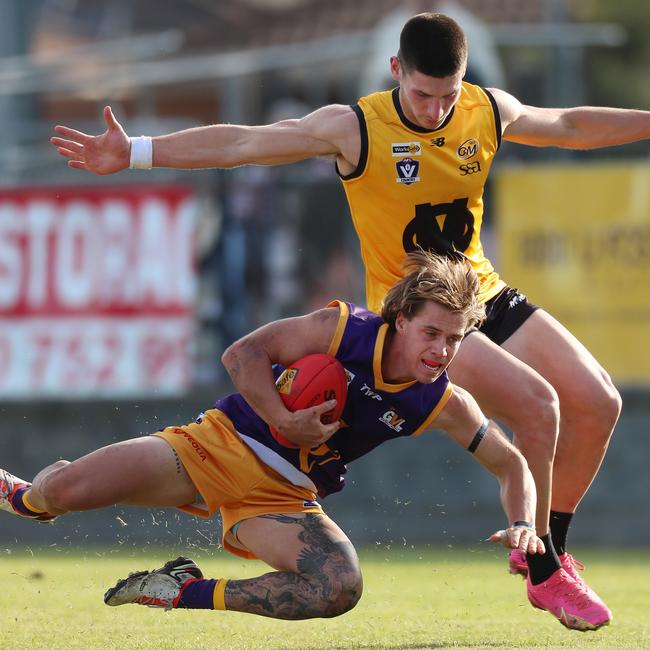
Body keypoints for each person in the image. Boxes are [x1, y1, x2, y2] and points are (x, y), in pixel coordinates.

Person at [49, 11, 648, 626]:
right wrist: (138, 151)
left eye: (449, 95)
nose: (437, 109)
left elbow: (570, 124)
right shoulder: (356, 127)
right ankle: (545, 568)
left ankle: (549, 548)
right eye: (422, 94)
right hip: (416, 312)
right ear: (395, 71)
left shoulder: (485, 109)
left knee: (598, 402)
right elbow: (246, 142)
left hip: (479, 289)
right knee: (540, 405)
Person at [4, 251, 593, 628]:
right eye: (432, 332)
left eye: (457, 339)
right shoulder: (341, 329)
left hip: (282, 501)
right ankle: (24, 493)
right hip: (214, 449)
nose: (442, 351)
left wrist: (524, 523)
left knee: (338, 587)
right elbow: (242, 354)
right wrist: (283, 422)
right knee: (59, 494)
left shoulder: (439, 400)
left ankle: (180, 589)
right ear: (402, 317)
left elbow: (512, 462)